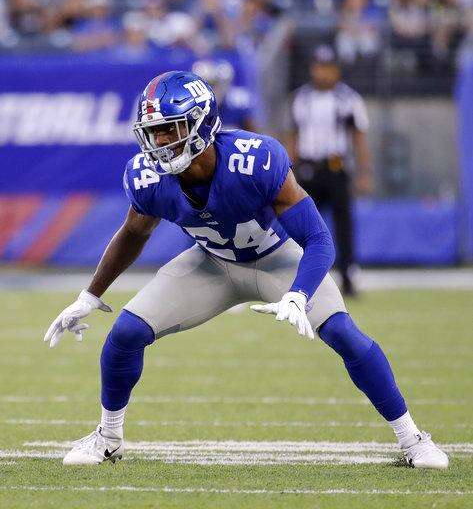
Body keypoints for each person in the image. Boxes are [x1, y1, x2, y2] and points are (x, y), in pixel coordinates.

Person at [43, 71, 447, 469]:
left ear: (201, 123)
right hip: (212, 264)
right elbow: (133, 233)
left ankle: (413, 439)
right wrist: (90, 295)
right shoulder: (148, 177)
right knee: (126, 333)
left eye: (169, 129)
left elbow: (319, 239)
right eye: (153, 132)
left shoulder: (254, 160)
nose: (160, 142)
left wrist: (299, 293)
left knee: (343, 333)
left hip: (277, 259)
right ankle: (108, 438)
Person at [287, 45, 373, 296]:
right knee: (301, 224)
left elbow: (358, 137)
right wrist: (287, 171)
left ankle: (348, 276)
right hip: (307, 169)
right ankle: (299, 277)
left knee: (343, 225)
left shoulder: (348, 98)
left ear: (336, 70)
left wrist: (364, 172)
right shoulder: (301, 98)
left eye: (327, 67)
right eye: (319, 67)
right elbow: (293, 137)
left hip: (336, 167)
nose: (322, 73)